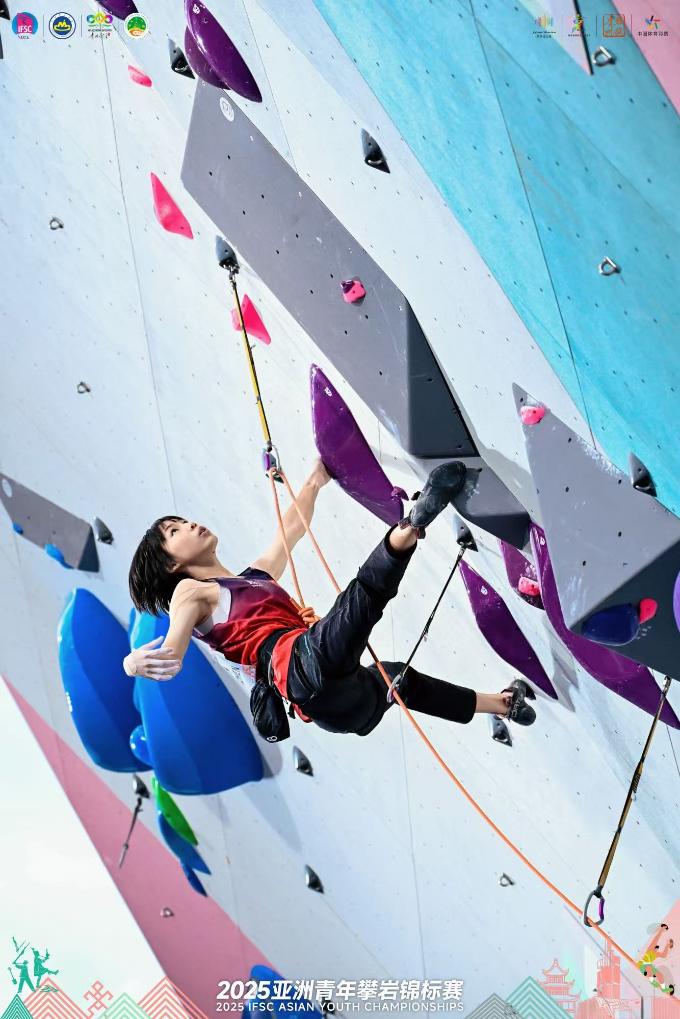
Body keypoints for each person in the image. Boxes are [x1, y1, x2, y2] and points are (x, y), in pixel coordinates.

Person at [125, 460, 537, 738]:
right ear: (171, 565)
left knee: (400, 679)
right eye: (175, 532)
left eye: (182, 521)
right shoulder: (189, 592)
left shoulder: (252, 580)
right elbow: (173, 649)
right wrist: (132, 663)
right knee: (364, 594)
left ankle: (505, 704)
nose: (189, 525)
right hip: (302, 667)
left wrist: (315, 480)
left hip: (338, 707)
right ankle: (414, 521)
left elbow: (288, 532)